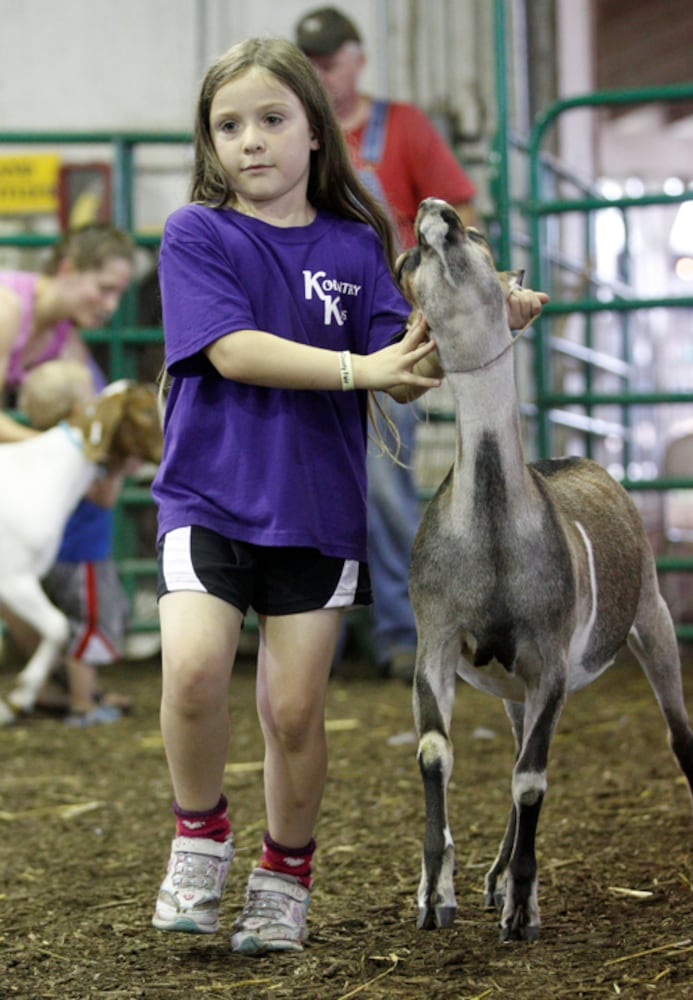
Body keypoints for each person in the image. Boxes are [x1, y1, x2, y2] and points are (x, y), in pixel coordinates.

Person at [149, 36, 546, 957]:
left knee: (293, 712)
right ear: (210, 145)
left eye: (272, 120)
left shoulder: (355, 245)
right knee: (194, 673)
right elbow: (232, 350)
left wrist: (485, 310)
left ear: (317, 134)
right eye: (228, 126)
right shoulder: (196, 235)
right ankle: (200, 834)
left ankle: (285, 874)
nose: (251, 141)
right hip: (205, 499)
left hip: (317, 513)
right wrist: (355, 367)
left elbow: (404, 371)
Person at [296, 6, 478, 679]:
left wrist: (447, 297)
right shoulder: (296, 129)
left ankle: (406, 632)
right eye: (310, 62)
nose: (322, 72)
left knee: (382, 486)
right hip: (309, 333)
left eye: (330, 60)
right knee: (305, 479)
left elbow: (459, 211)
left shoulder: (402, 128)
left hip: (387, 329)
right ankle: (314, 635)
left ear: (358, 58)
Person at [0, 223, 137, 724]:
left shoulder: (65, 338)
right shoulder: (8, 308)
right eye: (104, 288)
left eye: (119, 293)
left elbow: (92, 419)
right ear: (67, 270)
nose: (110, 305)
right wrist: (58, 453)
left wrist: (102, 467)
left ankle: (60, 688)